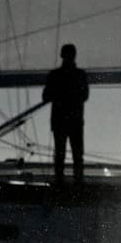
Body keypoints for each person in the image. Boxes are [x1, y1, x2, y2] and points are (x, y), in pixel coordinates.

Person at [42, 43, 89, 186]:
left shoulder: (55, 75)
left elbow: (46, 96)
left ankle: (62, 181)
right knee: (73, 154)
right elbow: (84, 95)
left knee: (64, 154)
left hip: (63, 120)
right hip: (72, 120)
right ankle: (75, 181)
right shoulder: (80, 75)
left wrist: (61, 94)